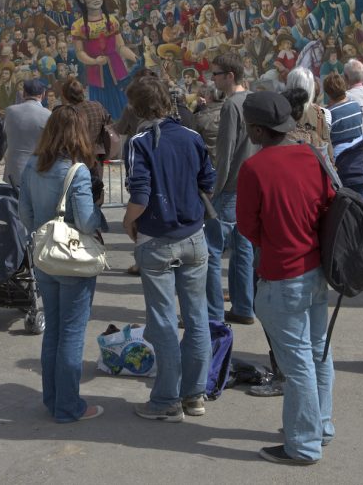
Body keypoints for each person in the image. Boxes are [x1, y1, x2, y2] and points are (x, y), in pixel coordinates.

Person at [235, 91, 335, 465]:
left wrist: (275, 242)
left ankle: (304, 445)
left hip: (282, 275)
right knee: (318, 353)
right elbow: (328, 207)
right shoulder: (313, 156)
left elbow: (248, 227)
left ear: (258, 129)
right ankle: (320, 427)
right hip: (315, 270)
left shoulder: (255, 169)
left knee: (299, 366)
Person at [123, 77, 215, 422]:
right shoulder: (191, 137)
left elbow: (140, 193)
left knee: (162, 321)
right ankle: (195, 396)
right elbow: (208, 180)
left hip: (157, 238)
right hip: (194, 235)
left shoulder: (140, 141)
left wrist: (127, 223)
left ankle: (166, 400)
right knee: (196, 318)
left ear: (137, 108)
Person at [19, 106, 107, 422]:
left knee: (54, 329)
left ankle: (53, 398)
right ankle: (68, 406)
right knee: (72, 331)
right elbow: (85, 219)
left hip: (45, 256)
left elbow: (26, 215)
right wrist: (100, 218)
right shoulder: (76, 171)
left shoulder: (32, 166)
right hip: (73, 258)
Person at [208, 52, 258, 325]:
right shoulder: (252, 100)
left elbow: (225, 152)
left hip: (231, 185)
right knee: (244, 247)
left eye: (216, 74)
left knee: (211, 249)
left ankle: (213, 311)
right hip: (250, 184)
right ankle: (243, 306)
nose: (212, 79)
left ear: (229, 76)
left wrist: (217, 187)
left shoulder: (231, 106)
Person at [69, 0, 137, 120]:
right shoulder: (78, 26)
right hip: (96, 75)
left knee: (125, 110)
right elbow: (80, 53)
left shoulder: (112, 21)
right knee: (102, 114)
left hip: (118, 71)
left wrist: (136, 58)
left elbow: (120, 47)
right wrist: (95, 61)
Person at [60, 75, 112, 203]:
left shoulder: (68, 112)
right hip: (96, 155)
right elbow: (109, 125)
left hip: (76, 158)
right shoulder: (97, 106)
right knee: (96, 190)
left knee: (78, 193)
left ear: (66, 95)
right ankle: (97, 217)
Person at [323, 73, 363, 197]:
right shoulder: (356, 106)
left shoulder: (329, 114)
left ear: (328, 93)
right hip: (359, 166)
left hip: (342, 169)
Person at [2, 79, 51, 188]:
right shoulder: (47, 114)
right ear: (43, 94)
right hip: (37, 170)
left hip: (13, 169)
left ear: (24, 93)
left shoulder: (10, 111)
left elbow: (5, 132)